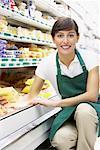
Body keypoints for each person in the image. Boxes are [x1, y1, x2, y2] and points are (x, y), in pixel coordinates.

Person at [26, 17, 100, 150]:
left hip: (91, 110)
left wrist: (55, 103)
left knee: (84, 110)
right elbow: (32, 95)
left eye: (70, 35)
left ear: (77, 37)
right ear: (53, 38)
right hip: (68, 112)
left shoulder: (91, 58)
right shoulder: (46, 63)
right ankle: (82, 135)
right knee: (61, 141)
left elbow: (92, 96)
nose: (65, 41)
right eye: (60, 36)